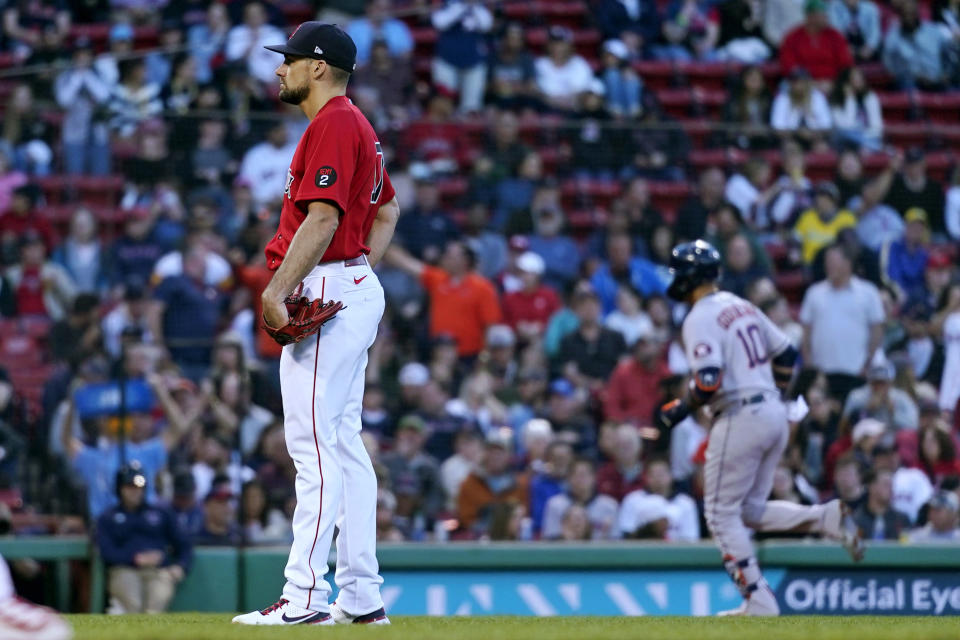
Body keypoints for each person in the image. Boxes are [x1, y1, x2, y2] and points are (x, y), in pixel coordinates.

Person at [232, 23, 398, 627]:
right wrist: (358, 275)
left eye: (290, 61)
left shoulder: (331, 123)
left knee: (315, 447)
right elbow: (388, 211)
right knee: (345, 449)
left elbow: (324, 218)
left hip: (327, 283)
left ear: (319, 67)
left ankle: (304, 598)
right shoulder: (357, 124)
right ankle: (360, 597)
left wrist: (283, 289)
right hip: (345, 283)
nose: (280, 70)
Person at [658, 239, 863, 617]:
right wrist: (773, 396)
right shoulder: (742, 305)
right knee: (748, 510)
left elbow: (707, 379)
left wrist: (681, 407)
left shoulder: (700, 316)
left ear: (687, 277)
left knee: (720, 515)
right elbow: (787, 354)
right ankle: (823, 518)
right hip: (771, 409)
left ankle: (759, 600)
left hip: (740, 414)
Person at [96, 465, 192, 614]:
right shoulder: (108, 518)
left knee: (154, 608)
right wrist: (135, 558)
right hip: (124, 570)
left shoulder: (160, 513)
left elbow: (184, 544)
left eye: (139, 486)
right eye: (130, 486)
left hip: (158, 571)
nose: (135, 491)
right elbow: (106, 552)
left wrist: (180, 566)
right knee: (134, 606)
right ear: (120, 488)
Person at [385, 241, 502, 360]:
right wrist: (382, 237)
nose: (444, 257)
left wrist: (485, 357)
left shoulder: (483, 288)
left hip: (469, 356)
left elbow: (490, 326)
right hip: (437, 352)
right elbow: (405, 263)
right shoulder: (438, 278)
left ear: (464, 260)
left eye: (449, 254)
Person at [800, 243, 884, 401]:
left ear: (847, 263)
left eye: (833, 262)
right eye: (828, 262)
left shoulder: (868, 292)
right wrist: (810, 368)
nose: (829, 266)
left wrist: (868, 364)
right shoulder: (813, 293)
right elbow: (806, 335)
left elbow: (877, 331)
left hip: (856, 371)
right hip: (822, 374)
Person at [620, 458, 700, 541]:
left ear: (671, 475)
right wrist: (650, 529)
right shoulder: (632, 500)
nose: (658, 479)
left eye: (662, 474)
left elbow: (691, 539)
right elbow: (626, 536)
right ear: (646, 477)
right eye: (653, 475)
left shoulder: (686, 503)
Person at [542, 458, 619, 540]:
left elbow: (618, 540)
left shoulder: (609, 505)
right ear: (568, 478)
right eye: (576, 475)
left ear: (594, 478)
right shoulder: (555, 504)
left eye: (584, 475)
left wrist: (604, 535)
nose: (580, 479)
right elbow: (549, 539)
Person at [779, 0, 853, 82]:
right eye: (822, 15)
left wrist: (835, 83)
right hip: (802, 84)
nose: (826, 18)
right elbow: (789, 65)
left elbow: (846, 64)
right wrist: (810, 84)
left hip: (832, 83)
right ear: (810, 16)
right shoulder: (793, 37)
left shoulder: (835, 36)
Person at [793, 182, 857, 264]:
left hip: (837, 264)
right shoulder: (807, 216)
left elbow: (851, 245)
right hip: (810, 265)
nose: (824, 201)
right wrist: (795, 251)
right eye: (821, 197)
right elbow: (795, 240)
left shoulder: (846, 217)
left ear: (836, 200)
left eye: (828, 198)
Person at [852, 469, 911, 540]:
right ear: (872, 487)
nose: (891, 489)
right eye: (886, 485)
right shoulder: (856, 521)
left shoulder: (902, 520)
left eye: (891, 485)